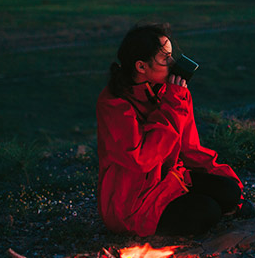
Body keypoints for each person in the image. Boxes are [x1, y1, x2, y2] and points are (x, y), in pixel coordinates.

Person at [96, 23, 245, 237]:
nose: (174, 64)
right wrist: (173, 104)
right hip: (132, 203)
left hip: (170, 181)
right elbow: (141, 158)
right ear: (141, 67)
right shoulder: (114, 103)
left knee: (230, 191)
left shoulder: (171, 92)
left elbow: (190, 148)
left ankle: (213, 204)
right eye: (165, 59)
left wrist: (224, 179)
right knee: (208, 210)